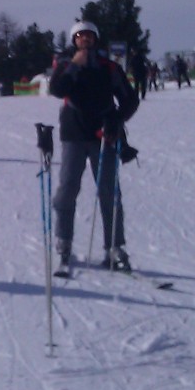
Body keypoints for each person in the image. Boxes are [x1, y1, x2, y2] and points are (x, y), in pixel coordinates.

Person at [48, 21, 140, 274]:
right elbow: (57, 90)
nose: (85, 40)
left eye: (89, 36)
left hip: (103, 136)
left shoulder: (108, 67)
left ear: (95, 39)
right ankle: (63, 242)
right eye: (80, 36)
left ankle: (114, 247)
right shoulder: (65, 65)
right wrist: (75, 65)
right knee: (67, 189)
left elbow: (130, 99)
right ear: (74, 40)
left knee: (110, 192)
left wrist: (116, 119)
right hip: (73, 135)